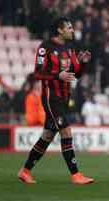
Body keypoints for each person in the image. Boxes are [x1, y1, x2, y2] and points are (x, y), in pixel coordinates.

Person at [18, 17, 94, 184]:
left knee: (47, 136)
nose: (72, 30)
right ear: (60, 30)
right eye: (69, 27)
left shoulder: (70, 48)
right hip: (51, 98)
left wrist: (83, 63)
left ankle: (25, 171)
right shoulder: (45, 48)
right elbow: (37, 73)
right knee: (66, 131)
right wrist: (56, 76)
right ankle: (76, 175)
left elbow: (75, 75)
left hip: (65, 98)